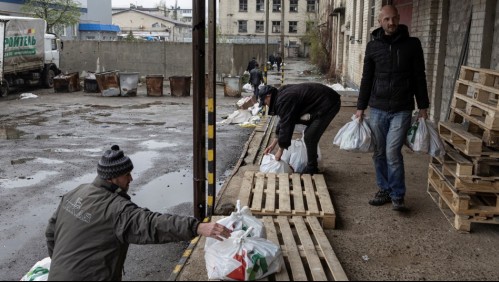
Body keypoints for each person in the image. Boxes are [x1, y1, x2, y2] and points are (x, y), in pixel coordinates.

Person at [45, 145, 232, 281]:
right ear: (113, 177)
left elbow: (51, 233)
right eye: (127, 174)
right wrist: (197, 227)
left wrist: (64, 266)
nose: (131, 179)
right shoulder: (116, 209)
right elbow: (152, 224)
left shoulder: (76, 192)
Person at [355, 5, 430, 211]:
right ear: (380, 21)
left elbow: (419, 76)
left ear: (398, 19)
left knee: (392, 152)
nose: (391, 23)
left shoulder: (412, 45)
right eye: (386, 19)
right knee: (379, 152)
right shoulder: (373, 46)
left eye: (394, 18)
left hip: (402, 108)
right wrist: (361, 107)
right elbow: (366, 78)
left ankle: (398, 194)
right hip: (377, 108)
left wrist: (423, 105)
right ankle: (384, 189)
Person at [260, 83, 341, 174]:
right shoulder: (280, 96)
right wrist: (273, 144)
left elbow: (287, 126)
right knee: (309, 134)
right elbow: (283, 121)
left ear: (268, 96)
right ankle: (312, 162)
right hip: (323, 100)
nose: (265, 105)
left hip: (329, 104)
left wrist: (280, 150)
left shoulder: (283, 100)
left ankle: (312, 168)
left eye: (264, 102)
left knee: (310, 137)